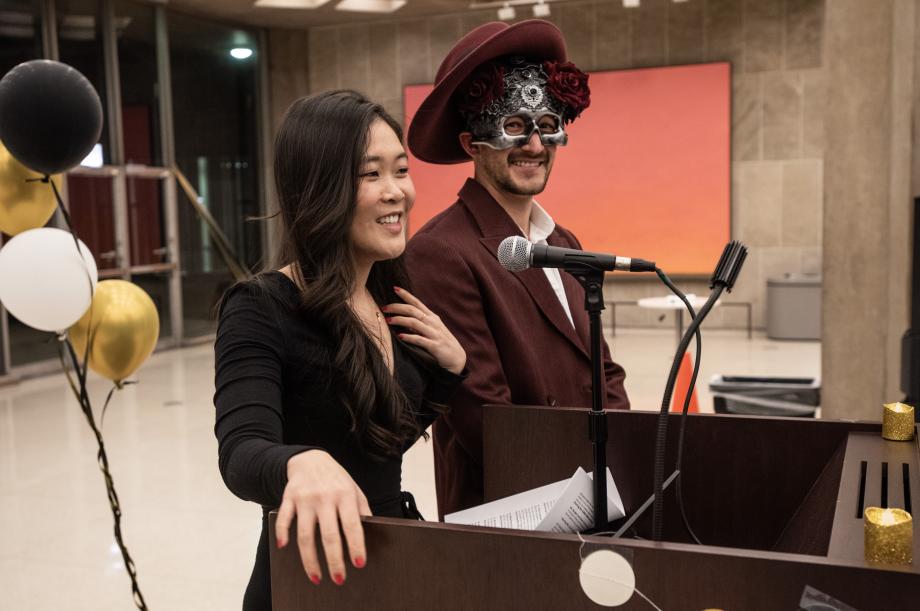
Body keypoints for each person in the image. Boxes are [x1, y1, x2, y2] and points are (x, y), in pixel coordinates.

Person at [214, 90, 466, 610]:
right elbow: (240, 453)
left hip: (394, 560)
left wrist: (449, 372)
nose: (397, 192)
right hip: (310, 578)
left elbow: (378, 442)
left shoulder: (388, 296)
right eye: (370, 175)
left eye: (401, 170)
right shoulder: (260, 306)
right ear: (319, 188)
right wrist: (299, 463)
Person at [405, 20, 630, 519]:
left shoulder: (564, 243)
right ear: (471, 144)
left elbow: (604, 372)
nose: (534, 145)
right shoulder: (440, 251)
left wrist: (621, 474)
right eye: (513, 127)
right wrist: (575, 497)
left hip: (597, 501)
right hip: (510, 511)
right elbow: (484, 412)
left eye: (548, 127)